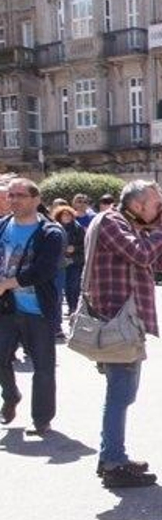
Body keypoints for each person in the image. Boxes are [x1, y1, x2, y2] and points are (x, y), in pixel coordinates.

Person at [83, 180, 162, 488]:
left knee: (122, 392)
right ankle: (114, 462)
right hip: (116, 319)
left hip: (128, 320)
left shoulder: (132, 224)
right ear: (137, 205)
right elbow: (140, 255)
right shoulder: (112, 221)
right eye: (157, 204)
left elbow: (158, 263)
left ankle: (111, 456)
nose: (161, 209)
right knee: (121, 393)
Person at [0, 178, 64, 435]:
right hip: (6, 308)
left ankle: (42, 419)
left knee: (43, 368)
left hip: (38, 309)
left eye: (21, 195)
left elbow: (44, 270)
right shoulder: (3, 226)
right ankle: (12, 394)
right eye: (11, 195)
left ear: (36, 199)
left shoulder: (50, 232)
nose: (14, 200)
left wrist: (7, 283)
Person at [54, 202, 86, 320]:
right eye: (64, 215)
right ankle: (68, 308)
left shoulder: (78, 228)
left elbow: (85, 245)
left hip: (75, 261)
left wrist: (75, 248)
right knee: (64, 286)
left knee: (74, 286)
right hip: (60, 263)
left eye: (68, 215)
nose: (66, 217)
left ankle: (74, 307)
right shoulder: (55, 228)